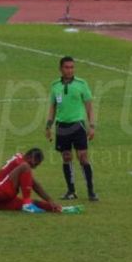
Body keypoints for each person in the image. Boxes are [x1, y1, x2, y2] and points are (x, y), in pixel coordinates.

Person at [45, 56, 98, 201]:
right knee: (66, 157)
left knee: (83, 157)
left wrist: (92, 126)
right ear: (60, 69)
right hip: (61, 126)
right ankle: (71, 191)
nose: (70, 70)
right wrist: (48, 126)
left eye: (72, 67)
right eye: (67, 67)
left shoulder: (81, 84)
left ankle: (91, 191)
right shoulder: (55, 85)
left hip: (78, 125)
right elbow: (53, 107)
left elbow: (89, 107)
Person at [0, 148, 82, 214]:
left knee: (35, 204)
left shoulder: (20, 159)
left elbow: (32, 183)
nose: (35, 167)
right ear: (29, 157)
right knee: (26, 167)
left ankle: (61, 209)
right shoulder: (22, 164)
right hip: (0, 191)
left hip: (0, 203)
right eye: (35, 164)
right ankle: (27, 204)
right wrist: (49, 199)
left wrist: (51, 203)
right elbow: (35, 184)